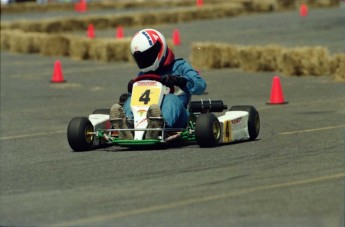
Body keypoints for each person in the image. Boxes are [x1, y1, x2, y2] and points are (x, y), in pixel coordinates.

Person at [110, 28, 206, 140]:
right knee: (130, 101)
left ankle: (159, 125)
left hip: (179, 116)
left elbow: (201, 85)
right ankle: (128, 127)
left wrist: (179, 80)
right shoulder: (143, 73)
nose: (145, 61)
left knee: (171, 99)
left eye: (148, 56)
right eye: (141, 58)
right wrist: (131, 93)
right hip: (146, 116)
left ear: (159, 49)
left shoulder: (180, 66)